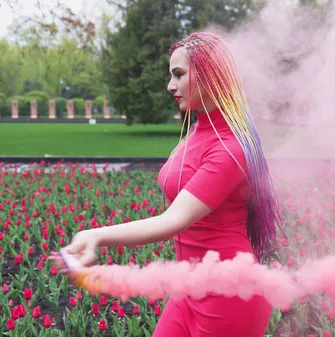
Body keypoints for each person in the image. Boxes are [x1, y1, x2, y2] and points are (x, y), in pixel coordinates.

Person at [50, 31, 283, 337]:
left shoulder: (230, 148)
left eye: (179, 75)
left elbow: (172, 221)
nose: (170, 86)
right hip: (187, 284)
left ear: (211, 74)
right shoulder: (198, 129)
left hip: (230, 292)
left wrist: (95, 235)